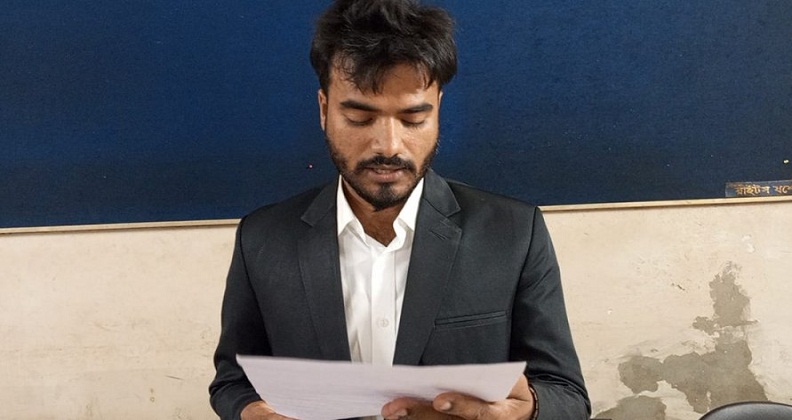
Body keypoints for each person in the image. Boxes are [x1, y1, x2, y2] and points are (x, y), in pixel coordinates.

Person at [209, 0, 590, 419]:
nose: (388, 146)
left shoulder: (514, 233)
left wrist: (526, 410)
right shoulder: (262, 239)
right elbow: (233, 381)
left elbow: (567, 395)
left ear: (438, 109)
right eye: (359, 118)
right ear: (324, 110)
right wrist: (252, 412)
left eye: (412, 119)